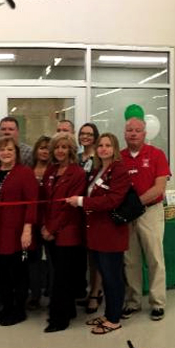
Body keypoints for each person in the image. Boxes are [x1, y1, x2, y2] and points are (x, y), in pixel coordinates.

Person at [66, 133, 131, 334]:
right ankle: (108, 313)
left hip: (111, 233)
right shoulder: (98, 170)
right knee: (105, 275)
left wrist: (81, 201)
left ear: (115, 148)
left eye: (108, 145)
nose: (103, 149)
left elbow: (112, 201)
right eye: (100, 145)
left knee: (113, 278)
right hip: (96, 233)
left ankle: (114, 319)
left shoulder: (119, 170)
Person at [0, 136, 39, 326]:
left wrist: (27, 229)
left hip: (15, 232)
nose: (6, 153)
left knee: (17, 273)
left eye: (10, 149)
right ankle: (7, 307)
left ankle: (19, 310)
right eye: (2, 150)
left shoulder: (25, 173)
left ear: (16, 153)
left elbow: (32, 203)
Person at [120, 117, 170, 321]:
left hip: (150, 212)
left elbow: (159, 187)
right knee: (130, 260)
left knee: (155, 258)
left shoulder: (157, 155)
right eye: (129, 130)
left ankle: (157, 303)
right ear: (124, 133)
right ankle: (133, 301)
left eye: (137, 130)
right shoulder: (119, 157)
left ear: (144, 133)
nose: (133, 133)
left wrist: (136, 203)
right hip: (127, 215)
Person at [40, 132, 86, 332]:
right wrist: (44, 225)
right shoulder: (50, 170)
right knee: (57, 273)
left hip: (67, 231)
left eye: (64, 147)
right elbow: (45, 201)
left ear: (71, 150)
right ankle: (68, 309)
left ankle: (59, 319)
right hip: (49, 230)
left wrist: (52, 228)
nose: (60, 151)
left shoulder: (77, 173)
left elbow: (68, 207)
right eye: (57, 147)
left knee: (62, 276)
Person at [76, 121, 103, 313]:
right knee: (86, 256)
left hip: (95, 211)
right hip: (77, 211)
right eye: (82, 134)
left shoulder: (99, 159)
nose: (85, 137)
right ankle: (89, 290)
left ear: (95, 137)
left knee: (96, 256)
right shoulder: (76, 158)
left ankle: (96, 292)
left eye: (89, 134)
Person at [28, 135, 51, 310]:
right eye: (42, 147)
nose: (45, 151)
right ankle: (34, 295)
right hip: (31, 222)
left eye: (48, 148)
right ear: (36, 150)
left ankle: (51, 293)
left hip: (50, 222)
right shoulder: (28, 170)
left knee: (52, 260)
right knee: (33, 260)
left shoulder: (56, 171)